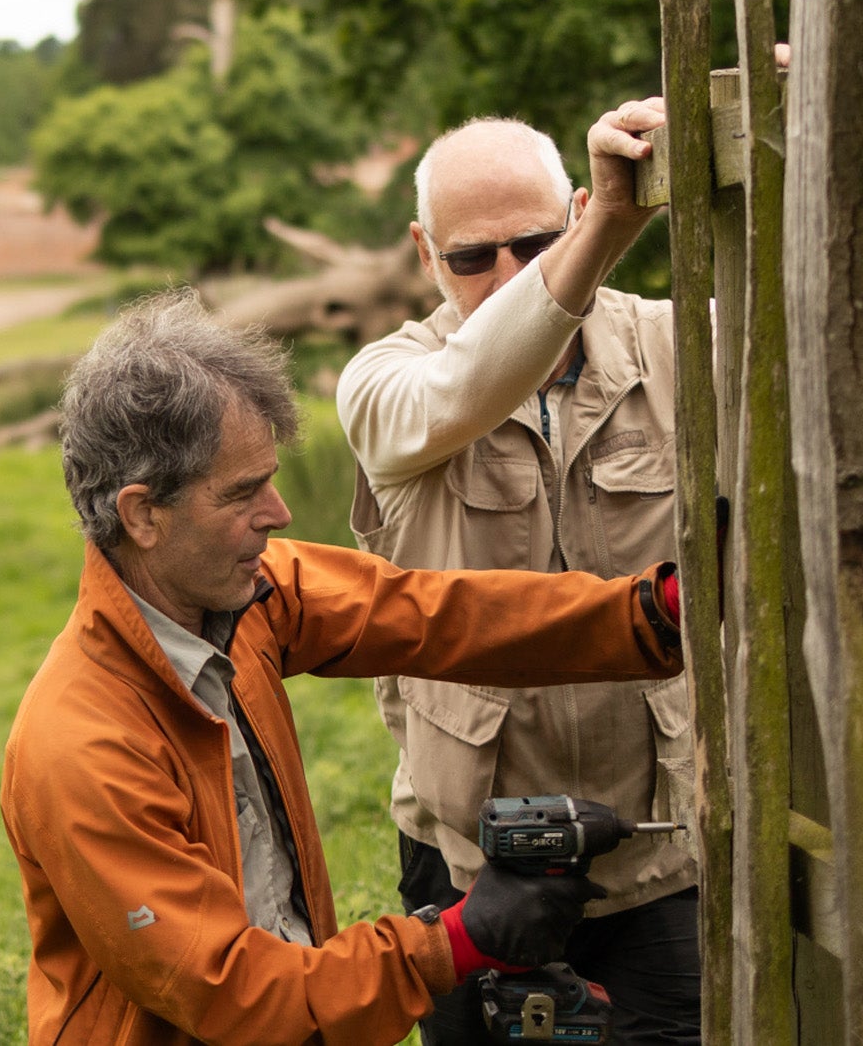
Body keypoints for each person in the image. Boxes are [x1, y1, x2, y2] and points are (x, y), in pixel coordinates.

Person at [0, 293, 685, 1046]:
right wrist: (452, 942)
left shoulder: (250, 597)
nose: (280, 512)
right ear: (141, 515)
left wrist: (652, 611)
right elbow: (231, 991)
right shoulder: (83, 747)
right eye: (241, 492)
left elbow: (437, 617)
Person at [335, 101, 700, 1044]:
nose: (504, 279)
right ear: (424, 252)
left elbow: (818, 314)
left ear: (577, 212)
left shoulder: (672, 345)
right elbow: (470, 384)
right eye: (471, 257)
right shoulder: (385, 383)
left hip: (660, 863)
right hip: (470, 871)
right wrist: (606, 235)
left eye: (536, 244)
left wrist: (802, 108)